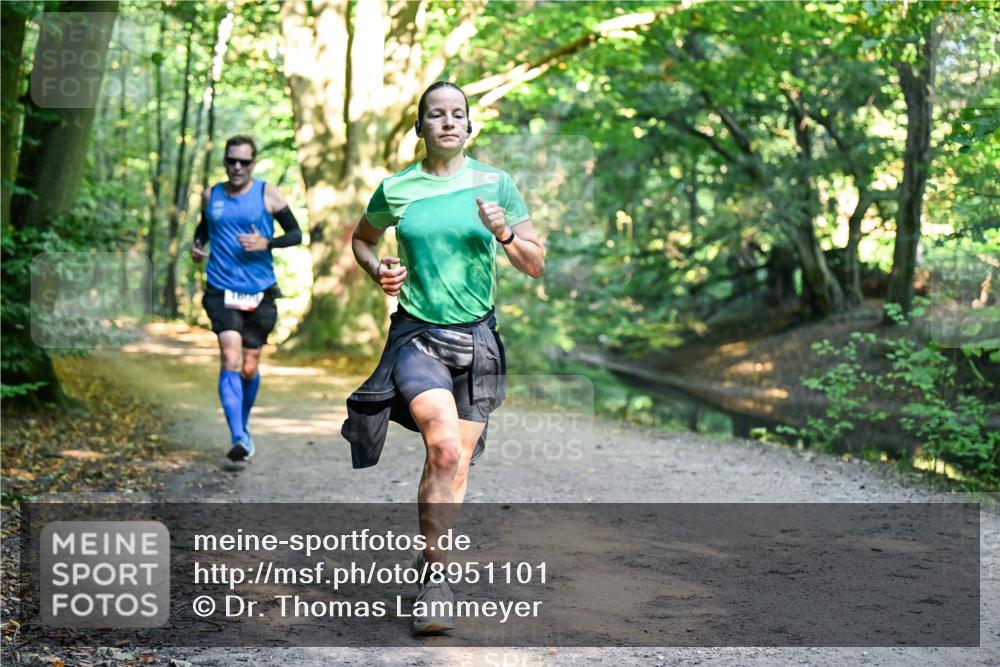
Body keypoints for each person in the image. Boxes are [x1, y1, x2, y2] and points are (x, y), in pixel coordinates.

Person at [342, 82, 545, 633]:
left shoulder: (496, 184)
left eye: (457, 114)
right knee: (445, 447)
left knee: (452, 467)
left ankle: (432, 557)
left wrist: (503, 232)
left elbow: (534, 263)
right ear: (421, 128)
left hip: (478, 341)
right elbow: (362, 239)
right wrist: (377, 269)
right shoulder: (398, 188)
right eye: (436, 115)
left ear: (469, 126)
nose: (448, 122)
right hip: (417, 336)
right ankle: (436, 581)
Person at [191, 136, 302, 464]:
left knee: (250, 367)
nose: (237, 167)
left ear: (253, 164)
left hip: (260, 291)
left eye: (243, 162)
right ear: (225, 162)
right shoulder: (213, 194)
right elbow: (203, 230)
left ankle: (243, 425)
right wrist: (197, 246)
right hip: (221, 289)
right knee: (230, 358)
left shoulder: (268, 193)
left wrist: (266, 243)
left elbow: (296, 234)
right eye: (231, 161)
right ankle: (238, 436)